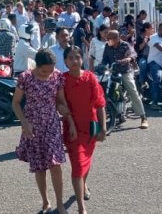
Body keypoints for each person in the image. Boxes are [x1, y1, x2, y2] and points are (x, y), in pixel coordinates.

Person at [12, 49, 76, 214]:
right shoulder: (25, 78)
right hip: (33, 128)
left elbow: (60, 102)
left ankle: (60, 204)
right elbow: (16, 103)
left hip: (52, 126)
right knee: (39, 167)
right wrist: (24, 123)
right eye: (43, 71)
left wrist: (66, 114)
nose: (48, 74)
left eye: (51, 70)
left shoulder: (58, 76)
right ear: (36, 66)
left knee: (56, 165)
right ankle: (46, 202)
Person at [61, 45, 106, 214]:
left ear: (83, 59)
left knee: (86, 161)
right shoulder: (62, 80)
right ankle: (81, 206)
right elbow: (60, 103)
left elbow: (100, 104)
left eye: (77, 57)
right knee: (78, 165)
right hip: (73, 130)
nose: (74, 61)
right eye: (70, 58)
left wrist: (103, 129)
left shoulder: (91, 78)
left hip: (91, 127)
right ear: (65, 61)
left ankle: (84, 184)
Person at [101, 30, 148, 129]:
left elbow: (133, 53)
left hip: (125, 72)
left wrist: (128, 59)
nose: (108, 41)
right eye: (107, 39)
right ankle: (115, 114)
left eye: (110, 39)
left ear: (117, 38)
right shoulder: (107, 46)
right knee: (105, 89)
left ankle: (143, 117)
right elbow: (105, 59)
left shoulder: (125, 45)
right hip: (112, 72)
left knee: (133, 92)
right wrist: (101, 66)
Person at [136, 22, 153, 89]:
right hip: (143, 56)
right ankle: (142, 82)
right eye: (151, 28)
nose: (152, 30)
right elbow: (139, 48)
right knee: (143, 64)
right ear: (146, 29)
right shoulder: (140, 37)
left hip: (152, 56)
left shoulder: (153, 37)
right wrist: (144, 42)